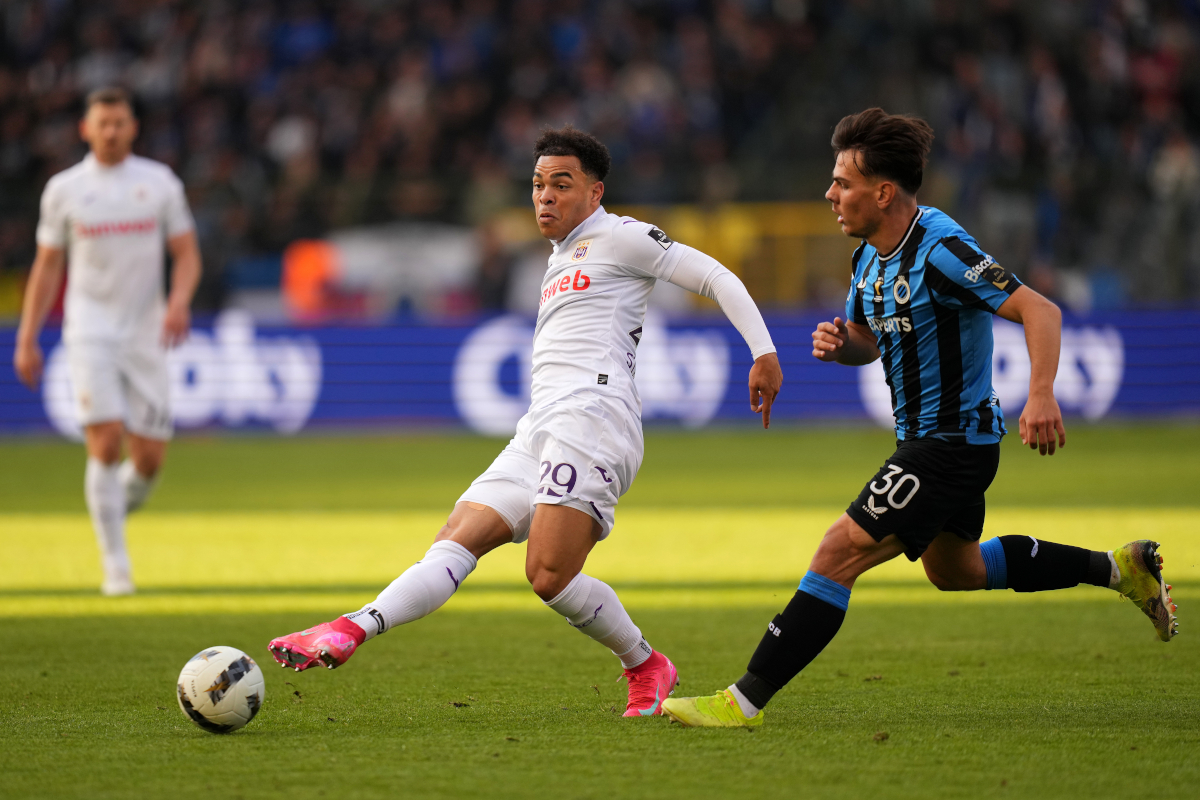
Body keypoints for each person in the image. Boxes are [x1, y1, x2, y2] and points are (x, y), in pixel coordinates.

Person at [661, 108, 1178, 728]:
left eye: (842, 183)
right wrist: (841, 342)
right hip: (935, 441)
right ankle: (1119, 569)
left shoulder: (941, 248)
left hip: (949, 444)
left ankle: (741, 702)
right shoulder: (868, 259)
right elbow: (868, 337)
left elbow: (1041, 310)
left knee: (838, 552)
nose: (829, 194)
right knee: (955, 570)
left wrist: (1041, 392)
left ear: (882, 193)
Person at [267, 126, 784, 717]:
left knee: (549, 575)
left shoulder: (623, 237)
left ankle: (645, 663)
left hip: (593, 419)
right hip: (537, 425)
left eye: (561, 185)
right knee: (453, 543)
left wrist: (762, 352)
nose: (544, 196)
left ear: (595, 192)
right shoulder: (558, 257)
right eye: (537, 185)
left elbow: (716, 276)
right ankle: (350, 628)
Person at [13, 87, 202, 596]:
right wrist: (27, 336)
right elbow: (47, 266)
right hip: (89, 330)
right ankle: (115, 565)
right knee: (105, 441)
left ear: (133, 127)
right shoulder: (65, 189)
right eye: (103, 123)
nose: (112, 131)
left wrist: (180, 300)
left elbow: (186, 253)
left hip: (147, 333)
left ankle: (110, 508)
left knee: (148, 460)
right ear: (86, 129)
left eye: (120, 122)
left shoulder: (159, 183)